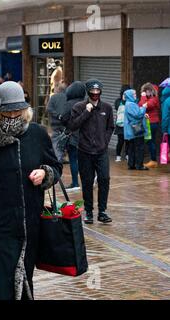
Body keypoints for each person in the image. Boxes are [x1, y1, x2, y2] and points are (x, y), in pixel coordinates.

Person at [0, 81, 62, 300]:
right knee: (2, 280)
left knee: (26, 277)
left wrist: (45, 174)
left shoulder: (37, 134)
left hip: (30, 224)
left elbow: (55, 167)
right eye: (7, 111)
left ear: (25, 110)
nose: (12, 115)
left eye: (17, 110)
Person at [68, 79, 115, 224]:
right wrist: (86, 112)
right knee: (87, 182)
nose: (95, 94)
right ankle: (88, 212)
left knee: (104, 179)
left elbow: (110, 127)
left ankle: (102, 211)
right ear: (88, 92)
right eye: (92, 91)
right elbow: (73, 126)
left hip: (101, 152)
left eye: (97, 91)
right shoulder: (79, 107)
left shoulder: (106, 108)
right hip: (84, 151)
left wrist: (105, 141)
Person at [62, 81, 86, 190]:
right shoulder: (86, 102)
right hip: (86, 136)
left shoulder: (69, 104)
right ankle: (92, 178)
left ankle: (75, 183)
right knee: (86, 159)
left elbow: (64, 119)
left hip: (73, 136)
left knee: (73, 159)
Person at [124, 89, 149, 171]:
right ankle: (139, 165)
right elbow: (138, 115)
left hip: (131, 130)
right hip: (136, 129)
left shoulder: (129, 103)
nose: (135, 95)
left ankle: (131, 164)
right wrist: (144, 108)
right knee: (139, 147)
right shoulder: (131, 104)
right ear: (129, 95)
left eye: (135, 93)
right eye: (133, 94)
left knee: (132, 148)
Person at [139, 83, 160, 168]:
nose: (145, 92)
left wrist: (143, 97)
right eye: (144, 91)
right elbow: (140, 105)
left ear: (151, 91)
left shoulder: (154, 99)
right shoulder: (148, 98)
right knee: (150, 141)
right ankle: (152, 160)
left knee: (150, 141)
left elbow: (146, 106)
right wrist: (144, 99)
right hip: (148, 122)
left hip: (152, 123)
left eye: (147, 91)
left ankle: (153, 161)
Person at [46, 82, 68, 162]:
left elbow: (48, 108)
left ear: (58, 89)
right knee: (65, 139)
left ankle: (57, 159)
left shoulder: (54, 97)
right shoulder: (68, 98)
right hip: (65, 123)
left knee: (55, 140)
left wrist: (57, 115)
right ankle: (62, 156)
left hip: (55, 123)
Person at [114, 85, 131, 162]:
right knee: (120, 141)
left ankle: (127, 154)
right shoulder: (118, 100)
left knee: (128, 141)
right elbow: (117, 107)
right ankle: (118, 155)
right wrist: (124, 100)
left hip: (128, 124)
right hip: (120, 124)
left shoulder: (131, 101)